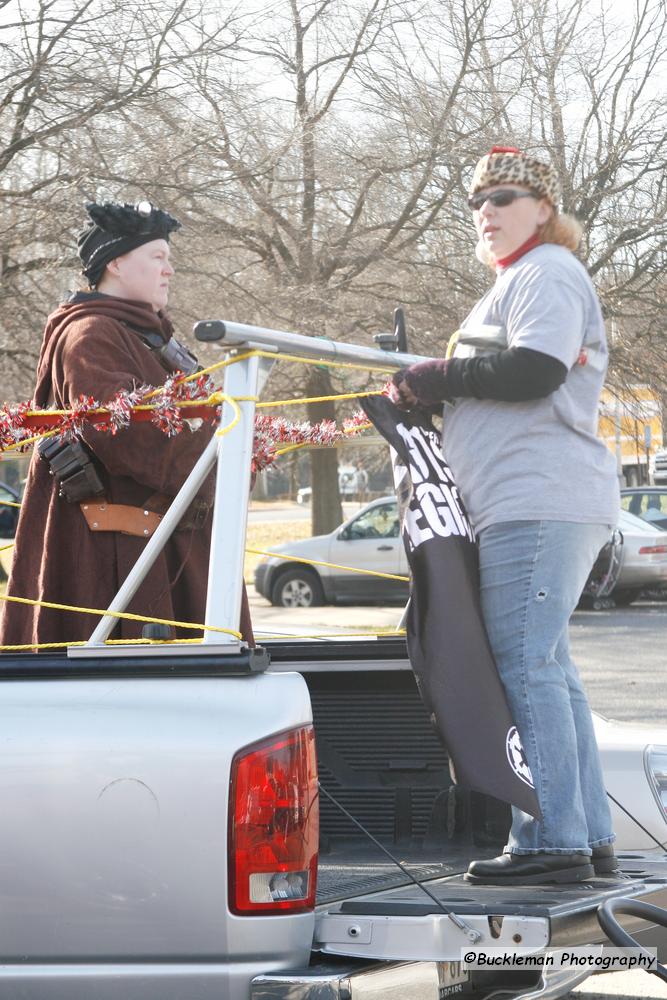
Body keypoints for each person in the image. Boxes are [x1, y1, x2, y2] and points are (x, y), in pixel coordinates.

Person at [392, 146, 620, 884]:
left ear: (544, 210)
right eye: (475, 201)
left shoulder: (547, 271)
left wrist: (440, 375)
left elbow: (534, 370)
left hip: (537, 501)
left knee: (525, 667)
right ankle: (585, 834)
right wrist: (441, 393)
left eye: (504, 197)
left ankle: (551, 842)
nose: (485, 212)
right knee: (547, 669)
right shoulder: (517, 280)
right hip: (532, 502)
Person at [0, 200, 253, 648]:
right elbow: (127, 434)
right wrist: (225, 458)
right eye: (157, 257)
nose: (169, 270)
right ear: (115, 263)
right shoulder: (91, 334)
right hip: (115, 559)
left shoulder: (150, 338)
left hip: (161, 548)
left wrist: (231, 447)